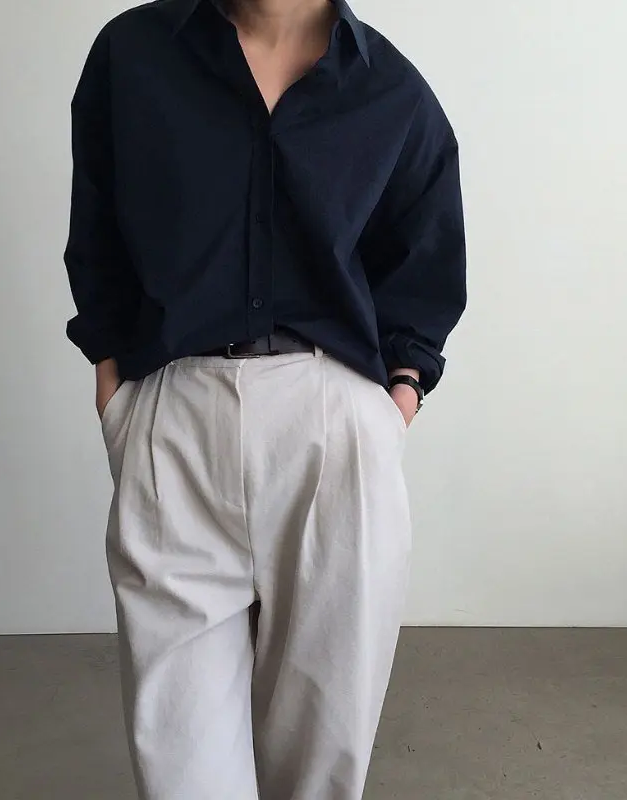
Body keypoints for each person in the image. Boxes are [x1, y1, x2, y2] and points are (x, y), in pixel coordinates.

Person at [63, 0, 466, 796]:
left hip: (333, 426)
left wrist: (399, 396)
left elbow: (424, 264)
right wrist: (115, 388)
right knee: (180, 755)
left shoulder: (391, 90)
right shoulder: (133, 56)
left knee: (322, 746)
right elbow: (98, 227)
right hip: (175, 410)